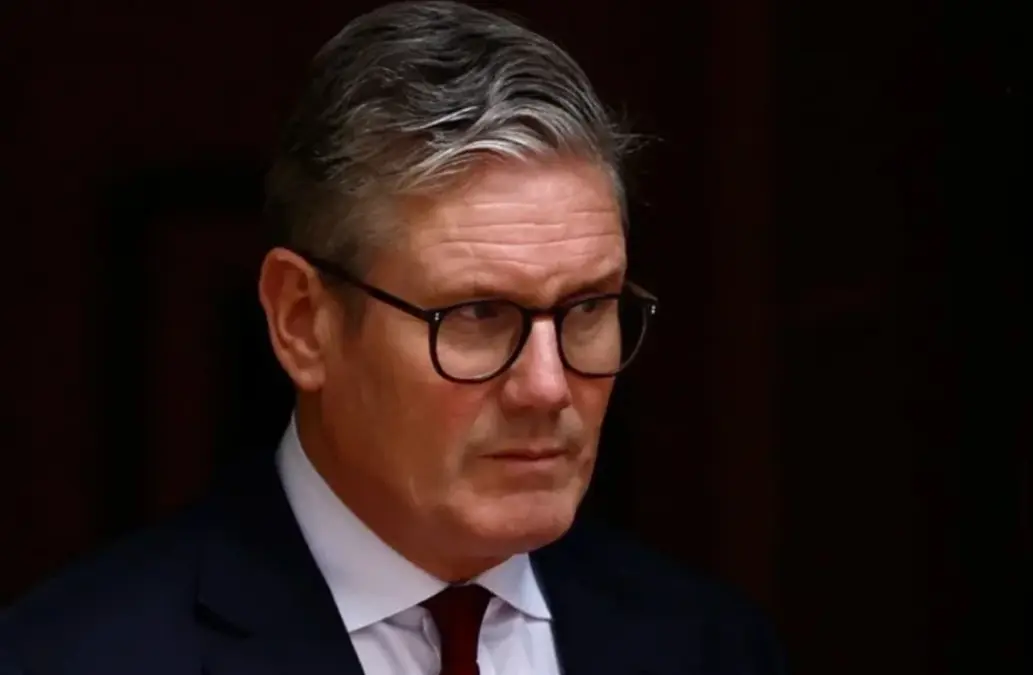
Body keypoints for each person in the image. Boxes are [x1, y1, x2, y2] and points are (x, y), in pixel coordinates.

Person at [0, 2, 786, 673]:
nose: (547, 386)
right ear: (302, 321)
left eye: (587, 308)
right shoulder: (72, 655)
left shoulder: (709, 646)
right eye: (476, 315)